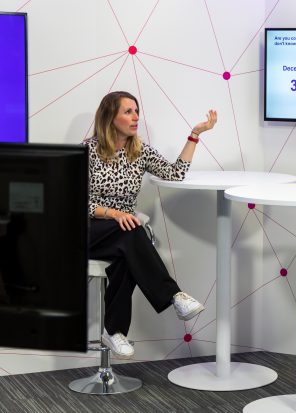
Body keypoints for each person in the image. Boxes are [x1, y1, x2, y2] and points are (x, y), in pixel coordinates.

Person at [85, 91, 217, 359]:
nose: (135, 117)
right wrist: (112, 213)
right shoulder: (88, 150)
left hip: (122, 234)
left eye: (136, 111)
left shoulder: (139, 150)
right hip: (87, 230)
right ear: (110, 117)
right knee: (131, 233)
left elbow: (175, 173)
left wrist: (195, 134)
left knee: (127, 251)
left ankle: (114, 332)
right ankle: (174, 296)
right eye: (128, 112)